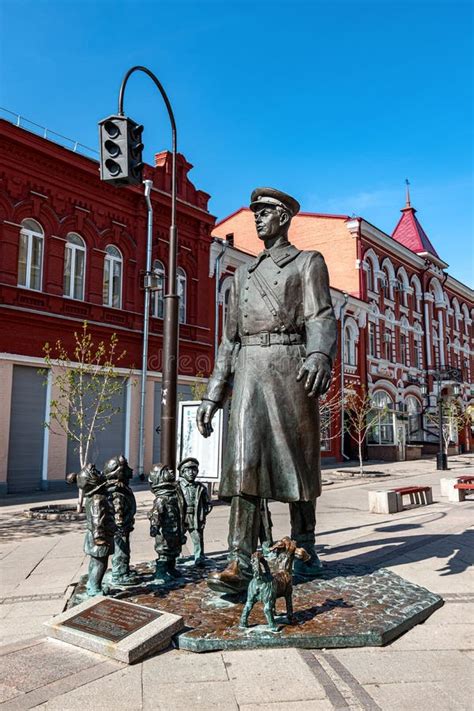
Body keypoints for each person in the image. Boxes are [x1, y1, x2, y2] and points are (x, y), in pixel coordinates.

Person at [197, 187, 337, 594]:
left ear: (284, 217)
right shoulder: (243, 273)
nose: (257, 219)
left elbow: (321, 315)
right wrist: (213, 394)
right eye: (255, 212)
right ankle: (239, 561)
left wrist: (320, 356)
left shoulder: (307, 262)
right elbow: (229, 341)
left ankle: (304, 547)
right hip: (250, 373)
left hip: (290, 369)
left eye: (265, 212)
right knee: (243, 463)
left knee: (297, 460)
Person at [103, 454, 137, 585]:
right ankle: (119, 574)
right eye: (126, 467)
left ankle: (124, 570)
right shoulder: (117, 492)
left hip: (124, 527)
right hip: (120, 529)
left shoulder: (121, 489)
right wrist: (120, 524)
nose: (130, 469)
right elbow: (118, 512)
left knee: (124, 550)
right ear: (119, 472)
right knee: (121, 550)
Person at [148, 463, 185, 582]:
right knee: (164, 552)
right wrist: (154, 526)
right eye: (167, 470)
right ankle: (160, 572)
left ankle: (171, 569)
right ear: (160, 476)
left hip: (175, 529)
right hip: (165, 532)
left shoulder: (174, 493)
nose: (171, 471)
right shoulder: (161, 499)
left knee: (174, 551)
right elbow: (155, 513)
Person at [178, 457, 213, 566]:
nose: (191, 473)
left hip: (195, 517)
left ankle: (199, 557)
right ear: (182, 472)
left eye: (194, 470)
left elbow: (208, 503)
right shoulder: (178, 487)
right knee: (177, 537)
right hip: (182, 516)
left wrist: (203, 513)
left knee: (197, 537)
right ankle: (175, 557)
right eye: (188, 470)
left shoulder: (200, 488)